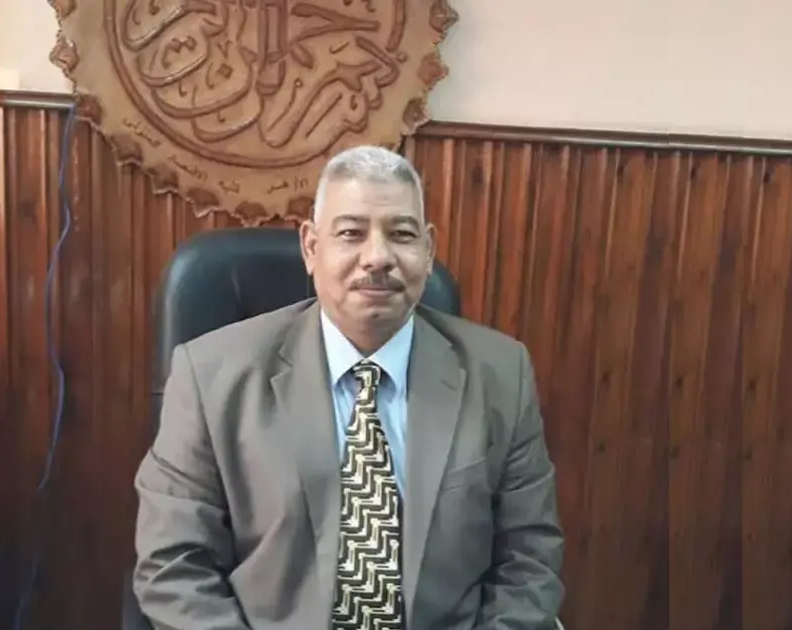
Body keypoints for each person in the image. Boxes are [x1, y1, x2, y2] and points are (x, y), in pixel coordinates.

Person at [132, 145, 565, 629]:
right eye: (351, 233)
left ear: (428, 251)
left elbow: (529, 561)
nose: (377, 257)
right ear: (311, 248)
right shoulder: (211, 376)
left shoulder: (501, 374)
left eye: (401, 234)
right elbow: (173, 566)